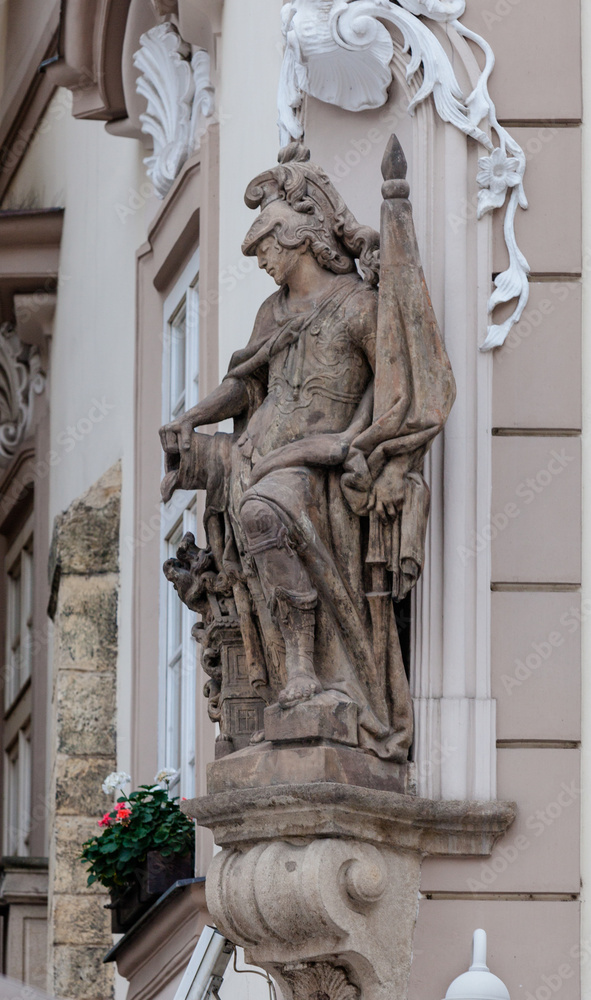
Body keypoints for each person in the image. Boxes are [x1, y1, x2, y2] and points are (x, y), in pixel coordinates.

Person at [160, 141, 454, 762]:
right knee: (255, 505)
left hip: (314, 464)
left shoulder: (357, 306)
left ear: (300, 238)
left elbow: (394, 390)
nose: (262, 259)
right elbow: (245, 382)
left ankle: (305, 669)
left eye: (267, 245)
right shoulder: (273, 310)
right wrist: (191, 418)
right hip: (259, 452)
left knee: (267, 510)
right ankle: (284, 674)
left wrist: (350, 444)